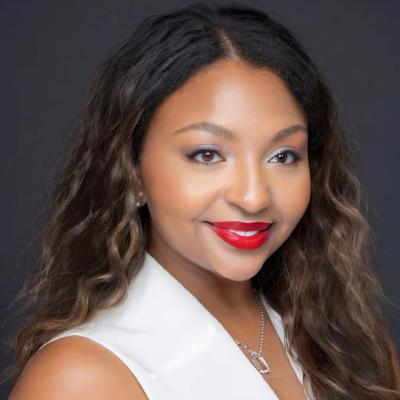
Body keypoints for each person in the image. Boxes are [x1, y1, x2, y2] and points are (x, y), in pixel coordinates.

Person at [4, 2, 400, 399]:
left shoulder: (351, 346)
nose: (253, 197)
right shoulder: (80, 378)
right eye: (207, 154)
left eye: (282, 156)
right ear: (132, 172)